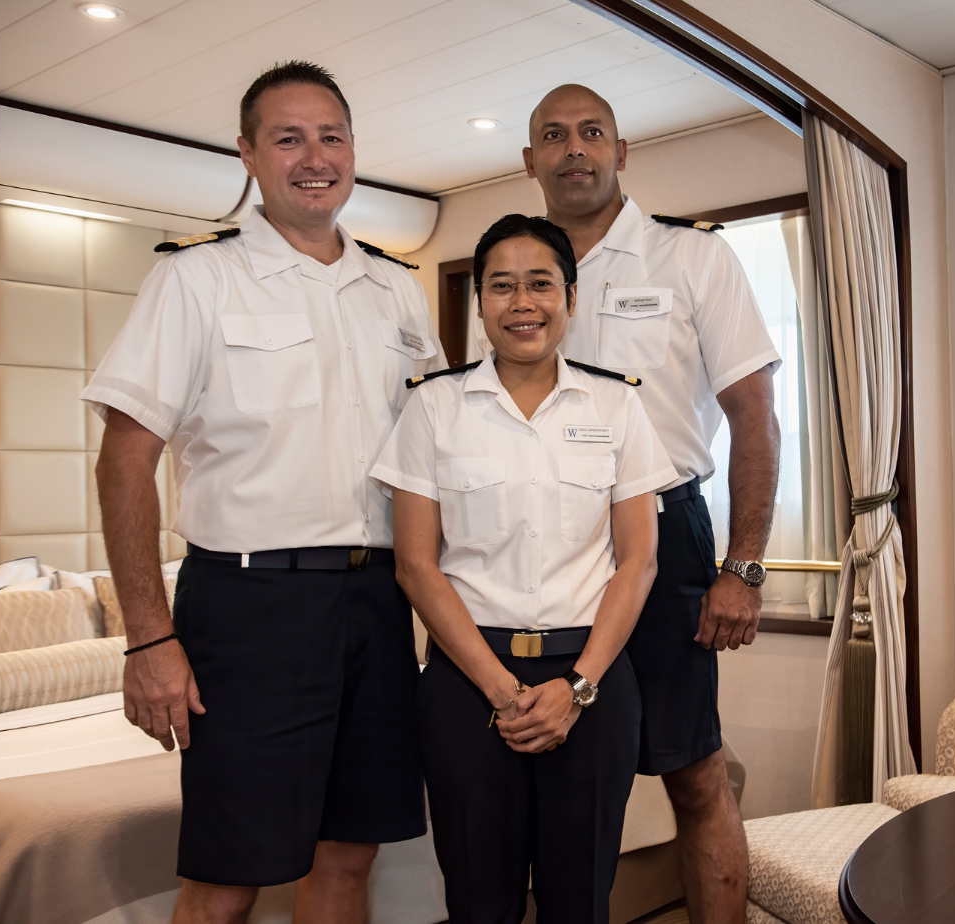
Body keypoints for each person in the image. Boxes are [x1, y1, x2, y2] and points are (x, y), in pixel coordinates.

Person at [82, 61, 445, 924]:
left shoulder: (397, 289)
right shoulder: (196, 279)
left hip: (380, 601)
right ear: (247, 154)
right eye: (288, 139)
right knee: (230, 874)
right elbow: (125, 459)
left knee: (349, 855)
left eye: (331, 137)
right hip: (250, 605)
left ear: (353, 149)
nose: (315, 158)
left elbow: (436, 457)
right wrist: (148, 638)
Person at [469, 85, 782, 921]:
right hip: (539, 547)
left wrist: (743, 567)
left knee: (695, 772)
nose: (574, 148)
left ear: (620, 151)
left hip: (665, 535)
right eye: (554, 135)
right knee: (554, 773)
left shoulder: (692, 258)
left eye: (592, 132)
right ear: (529, 160)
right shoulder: (511, 279)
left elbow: (754, 416)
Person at [375, 213, 673, 923]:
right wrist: (502, 691)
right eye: (502, 286)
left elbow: (638, 561)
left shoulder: (617, 403)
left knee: (580, 902)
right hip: (467, 682)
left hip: (591, 679)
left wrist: (577, 688)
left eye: (540, 283)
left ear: (570, 296)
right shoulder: (433, 407)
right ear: (480, 302)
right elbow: (416, 566)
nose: (522, 303)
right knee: (479, 903)